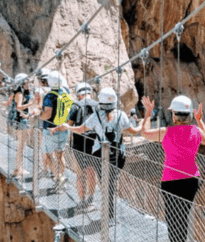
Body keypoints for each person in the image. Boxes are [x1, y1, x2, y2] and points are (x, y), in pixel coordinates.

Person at [141, 94, 205, 242]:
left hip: (171, 179)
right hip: (192, 179)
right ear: (189, 115)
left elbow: (145, 133)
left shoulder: (166, 132)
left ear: (174, 116)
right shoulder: (196, 131)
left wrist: (148, 113)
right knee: (183, 215)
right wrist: (200, 121)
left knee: (173, 217)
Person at [64, 88, 141, 221]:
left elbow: (80, 129)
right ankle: (110, 214)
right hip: (118, 155)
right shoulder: (121, 115)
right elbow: (133, 131)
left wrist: (67, 127)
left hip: (100, 156)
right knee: (111, 183)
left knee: (104, 183)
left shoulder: (95, 116)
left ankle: (108, 213)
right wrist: (144, 123)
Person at [64, 82, 101, 210]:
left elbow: (69, 124)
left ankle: (82, 201)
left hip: (79, 143)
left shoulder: (75, 106)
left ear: (79, 95)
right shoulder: (98, 106)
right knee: (92, 171)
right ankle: (91, 200)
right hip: (95, 143)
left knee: (80, 174)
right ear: (90, 93)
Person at [39, 72, 73, 192]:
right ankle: (62, 178)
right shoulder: (66, 93)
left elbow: (47, 115)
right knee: (60, 155)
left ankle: (58, 179)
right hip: (63, 129)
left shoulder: (49, 96)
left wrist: (38, 114)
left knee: (48, 155)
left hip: (50, 130)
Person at [6, 73, 33, 177]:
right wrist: (30, 104)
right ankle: (19, 169)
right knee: (21, 146)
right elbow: (19, 107)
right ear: (21, 83)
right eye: (26, 82)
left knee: (22, 145)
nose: (28, 84)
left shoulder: (18, 92)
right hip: (21, 122)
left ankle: (19, 168)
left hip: (20, 121)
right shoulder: (20, 93)